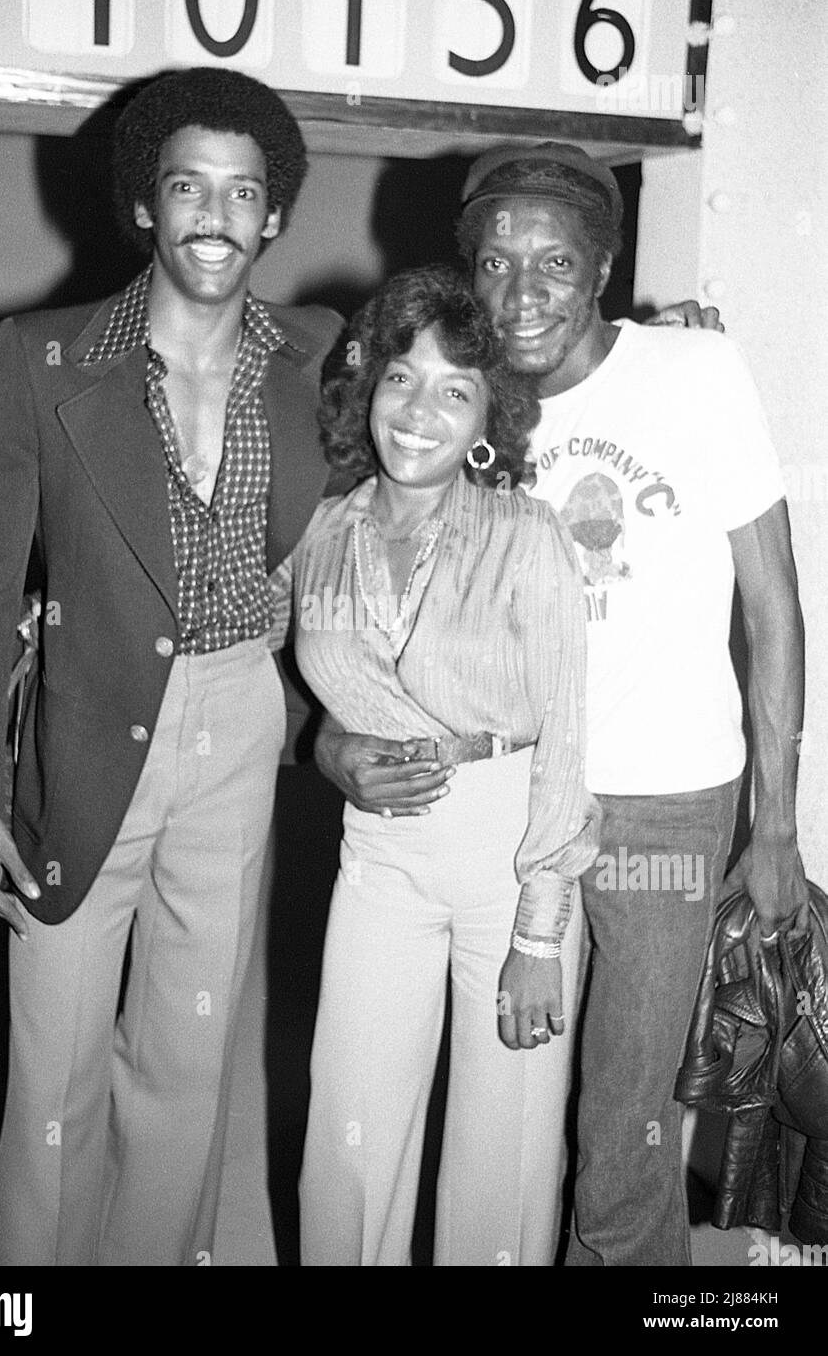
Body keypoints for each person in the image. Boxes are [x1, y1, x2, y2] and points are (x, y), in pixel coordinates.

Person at [319, 142, 809, 1267]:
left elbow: (775, 613)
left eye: (553, 260)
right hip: (505, 800)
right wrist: (338, 735)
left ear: (600, 271)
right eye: (494, 261)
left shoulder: (693, 372)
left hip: (661, 808)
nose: (522, 288)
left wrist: (774, 823)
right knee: (510, 1113)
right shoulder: (458, 401)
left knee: (622, 1127)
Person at [0, 67, 343, 1266]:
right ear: (145, 208)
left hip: (239, 720)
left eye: (243, 192)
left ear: (274, 215)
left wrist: (648, 342)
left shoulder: (317, 357)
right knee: (52, 1063)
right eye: (188, 188)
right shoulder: (41, 357)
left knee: (188, 1059)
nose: (216, 214)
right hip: (81, 727)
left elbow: (453, 387)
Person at [269, 265, 599, 1266]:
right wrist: (324, 745)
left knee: (496, 1166)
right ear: (364, 390)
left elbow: (568, 737)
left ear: (484, 415)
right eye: (400, 379)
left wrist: (539, 930)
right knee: (349, 1134)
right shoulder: (319, 532)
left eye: (454, 390)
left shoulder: (526, 537)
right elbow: (270, 671)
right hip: (378, 860)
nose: (419, 412)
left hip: (511, 864)